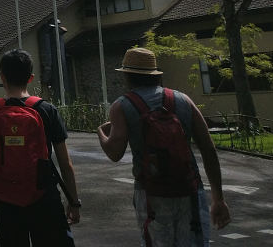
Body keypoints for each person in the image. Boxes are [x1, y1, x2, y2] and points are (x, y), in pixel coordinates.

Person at [97, 47, 231, 246]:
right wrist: (218, 198)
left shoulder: (122, 105)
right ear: (155, 74)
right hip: (190, 190)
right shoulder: (183, 100)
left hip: (151, 195)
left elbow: (114, 153)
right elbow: (208, 149)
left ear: (127, 76)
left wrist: (100, 131)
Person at [0, 49, 80, 246]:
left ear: (2, 77)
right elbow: (65, 164)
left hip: (6, 201)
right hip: (44, 197)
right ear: (31, 78)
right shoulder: (46, 110)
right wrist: (74, 202)